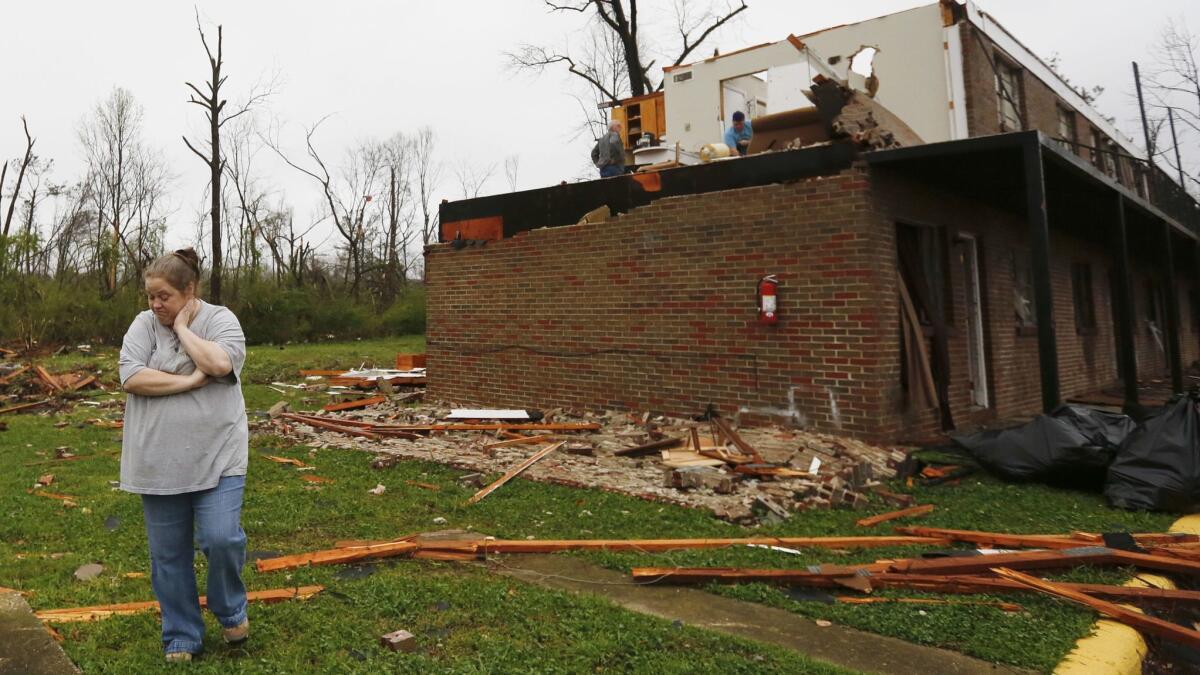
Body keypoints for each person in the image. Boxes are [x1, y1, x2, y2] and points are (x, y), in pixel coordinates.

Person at [118, 248, 250, 663]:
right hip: (157, 461)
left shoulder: (220, 320)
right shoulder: (142, 325)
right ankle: (181, 634)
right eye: (150, 297)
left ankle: (229, 609)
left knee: (221, 538)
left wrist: (182, 327)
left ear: (189, 290)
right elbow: (132, 376)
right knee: (169, 555)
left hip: (219, 456)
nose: (155, 305)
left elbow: (220, 362)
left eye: (164, 297)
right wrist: (191, 382)